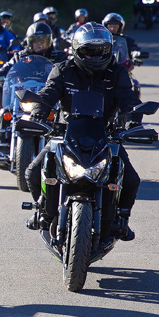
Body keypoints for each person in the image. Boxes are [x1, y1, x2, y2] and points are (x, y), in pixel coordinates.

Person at [24, 23, 142, 240]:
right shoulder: (63, 69)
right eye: (89, 51)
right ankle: (42, 209)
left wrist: (133, 121)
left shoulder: (117, 73)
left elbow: (127, 98)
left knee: (132, 179)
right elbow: (48, 93)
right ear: (77, 49)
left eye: (101, 51)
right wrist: (38, 112)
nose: (95, 56)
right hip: (66, 133)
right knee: (33, 171)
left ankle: (121, 219)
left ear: (109, 49)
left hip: (105, 134)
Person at [0, 22, 68, 111]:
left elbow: (70, 71)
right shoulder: (20, 56)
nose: (39, 44)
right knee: (4, 114)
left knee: (63, 117)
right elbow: (8, 66)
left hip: (50, 96)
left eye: (42, 41)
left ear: (49, 41)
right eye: (35, 41)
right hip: (23, 95)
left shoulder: (59, 57)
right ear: (29, 42)